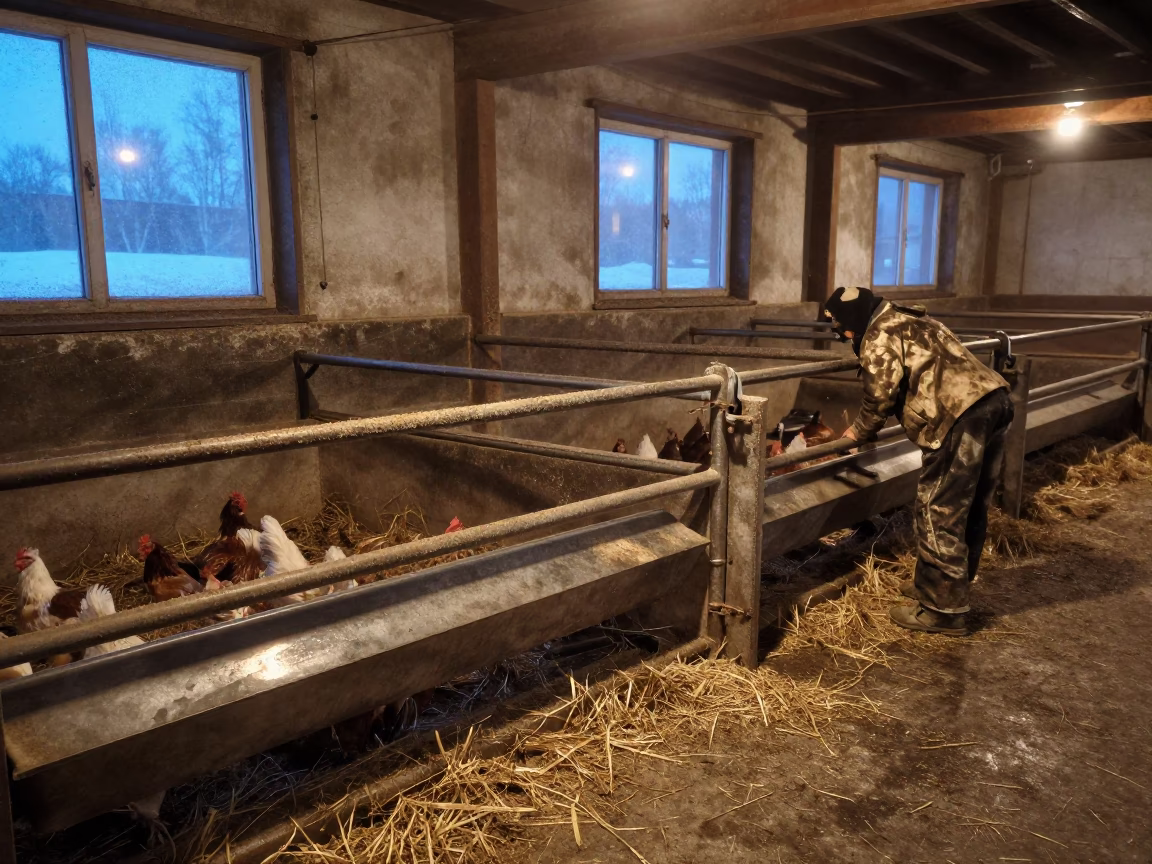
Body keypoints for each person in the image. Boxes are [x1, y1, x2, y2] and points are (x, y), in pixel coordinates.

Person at [821, 287, 1013, 636]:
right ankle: (942, 587)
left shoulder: (879, 333)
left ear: (852, 319)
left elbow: (879, 394)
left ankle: (943, 610)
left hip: (957, 417)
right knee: (968, 506)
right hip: (993, 402)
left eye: (840, 327)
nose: (841, 334)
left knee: (937, 509)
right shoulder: (912, 318)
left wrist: (856, 433)